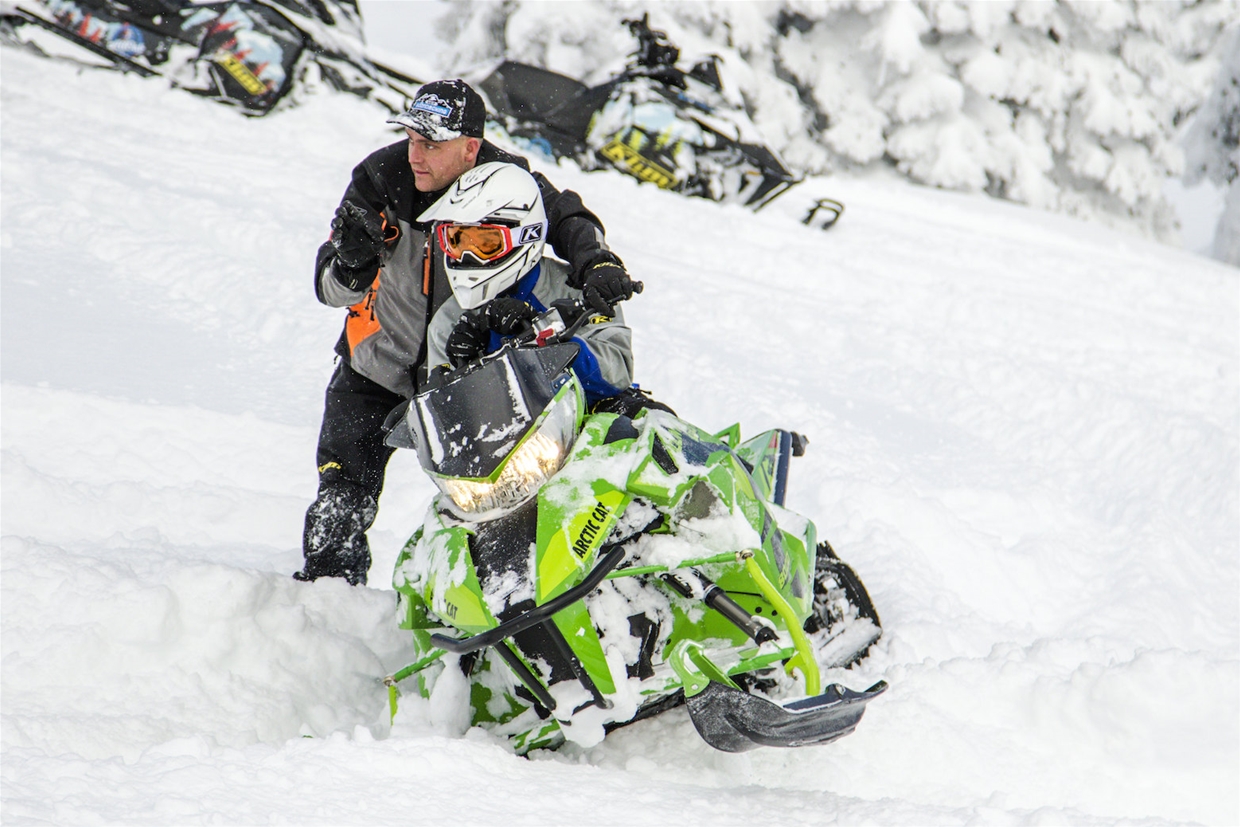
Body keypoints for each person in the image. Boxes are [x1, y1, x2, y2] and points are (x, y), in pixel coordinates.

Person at [297, 79, 636, 586]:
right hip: (376, 365)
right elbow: (329, 289)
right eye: (412, 139)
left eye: (431, 144)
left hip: (467, 365)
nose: (415, 155)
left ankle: (510, 594)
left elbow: (567, 217)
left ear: (470, 148)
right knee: (340, 503)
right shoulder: (379, 179)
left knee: (497, 497)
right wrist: (352, 263)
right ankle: (323, 605)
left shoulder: (504, 180)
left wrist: (597, 263)